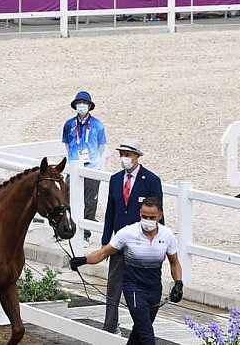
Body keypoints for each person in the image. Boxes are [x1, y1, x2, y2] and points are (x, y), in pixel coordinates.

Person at [70, 197, 183, 345]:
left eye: (152, 217)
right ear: (139, 214)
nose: (147, 220)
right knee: (147, 337)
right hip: (134, 289)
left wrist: (178, 283)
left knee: (139, 332)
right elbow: (104, 253)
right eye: (144, 216)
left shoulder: (167, 235)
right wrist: (83, 260)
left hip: (154, 289)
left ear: (160, 216)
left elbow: (174, 262)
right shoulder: (128, 233)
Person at [100, 138, 163, 334]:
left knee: (144, 285)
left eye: (127, 155)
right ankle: (110, 325)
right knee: (114, 284)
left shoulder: (151, 180)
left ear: (137, 156)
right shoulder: (116, 179)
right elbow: (110, 211)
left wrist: (158, 242)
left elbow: (158, 214)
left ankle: (143, 327)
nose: (124, 158)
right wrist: (105, 242)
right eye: (122, 155)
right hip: (119, 241)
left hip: (142, 243)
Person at [62, 91, 107, 242]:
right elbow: (67, 145)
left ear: (89, 106)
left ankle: (86, 234)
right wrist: (73, 159)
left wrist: (95, 162)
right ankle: (67, 229)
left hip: (92, 167)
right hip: (74, 166)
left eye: (85, 103)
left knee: (90, 201)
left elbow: (102, 146)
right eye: (79, 103)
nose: (82, 106)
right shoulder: (69, 124)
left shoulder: (97, 125)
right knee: (67, 197)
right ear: (75, 105)